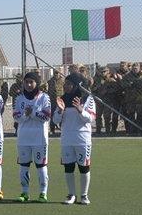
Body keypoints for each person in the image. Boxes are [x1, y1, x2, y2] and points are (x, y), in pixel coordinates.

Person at [54, 73, 96, 205]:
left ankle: (84, 195)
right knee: (68, 167)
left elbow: (91, 118)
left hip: (82, 139)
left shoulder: (88, 99)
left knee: (84, 167)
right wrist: (60, 111)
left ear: (77, 85)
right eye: (65, 84)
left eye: (69, 84)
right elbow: (55, 120)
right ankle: (71, 195)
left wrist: (80, 110)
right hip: (67, 139)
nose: (65, 86)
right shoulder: (61, 99)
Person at [13, 71, 51, 203]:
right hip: (23, 139)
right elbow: (16, 117)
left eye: (31, 82)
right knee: (24, 166)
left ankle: (43, 193)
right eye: (26, 82)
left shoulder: (44, 97)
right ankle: (25, 192)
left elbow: (46, 116)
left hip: (39, 139)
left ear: (37, 83)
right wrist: (26, 115)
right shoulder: (19, 98)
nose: (28, 85)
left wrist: (33, 113)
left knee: (41, 166)